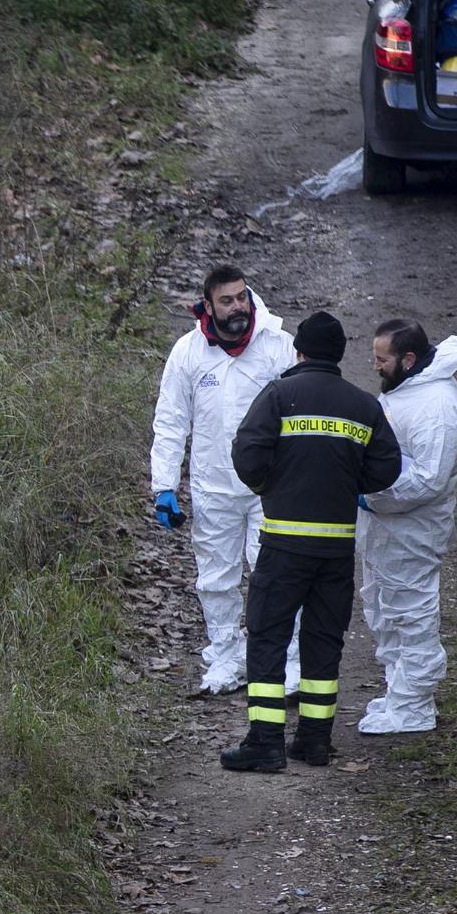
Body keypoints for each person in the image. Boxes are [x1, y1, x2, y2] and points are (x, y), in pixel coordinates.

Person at [221, 311, 402, 772]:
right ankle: (314, 741)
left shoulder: (280, 395)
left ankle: (265, 742)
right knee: (323, 641)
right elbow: (387, 468)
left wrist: (272, 484)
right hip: (336, 550)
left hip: (283, 544)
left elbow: (246, 452)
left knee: (267, 637)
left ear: (298, 352)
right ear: (339, 355)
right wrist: (347, 484)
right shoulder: (364, 405)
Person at [148, 263, 299, 692]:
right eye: (227, 300)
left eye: (242, 297)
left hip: (271, 488)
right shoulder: (189, 352)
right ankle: (225, 659)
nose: (238, 307)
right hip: (214, 486)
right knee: (216, 579)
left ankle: (286, 662)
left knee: (274, 574)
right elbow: (172, 420)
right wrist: (164, 486)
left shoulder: (278, 347)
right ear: (208, 305)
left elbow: (302, 410)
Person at [357, 317, 457, 736]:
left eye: (381, 359)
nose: (375, 366)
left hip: (411, 528)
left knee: (411, 612)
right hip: (386, 526)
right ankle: (399, 693)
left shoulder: (436, 406)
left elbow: (428, 479)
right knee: (384, 608)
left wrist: (369, 495)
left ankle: (415, 706)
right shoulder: (407, 389)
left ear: (408, 358)